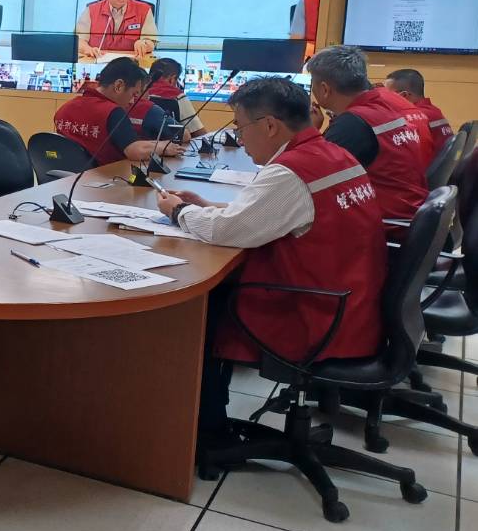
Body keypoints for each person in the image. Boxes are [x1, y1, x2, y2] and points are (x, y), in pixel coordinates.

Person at [154, 77, 386, 439]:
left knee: (199, 308)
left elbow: (226, 232)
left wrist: (178, 211)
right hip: (355, 306)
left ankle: (208, 433)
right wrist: (208, 206)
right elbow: (281, 213)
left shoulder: (290, 173)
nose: (239, 138)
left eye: (240, 127)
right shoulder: (332, 154)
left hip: (317, 316)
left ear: (270, 126)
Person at [308, 45, 428, 225]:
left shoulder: (353, 124)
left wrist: (309, 132)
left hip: (387, 225)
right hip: (407, 215)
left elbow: (309, 179)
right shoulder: (384, 106)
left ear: (325, 89)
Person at [53, 57, 185, 165]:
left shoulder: (65, 108)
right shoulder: (112, 112)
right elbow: (134, 151)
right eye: (134, 94)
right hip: (102, 180)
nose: (132, 101)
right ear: (118, 86)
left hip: (65, 180)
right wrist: (163, 147)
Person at [76, 0, 157, 63]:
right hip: (98, 61)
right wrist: (88, 49)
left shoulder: (144, 10)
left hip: (132, 64)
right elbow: (78, 40)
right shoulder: (91, 10)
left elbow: (151, 41)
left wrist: (144, 43)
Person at [385, 68, 454, 154]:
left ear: (404, 95)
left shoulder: (415, 117)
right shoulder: (434, 110)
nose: (384, 98)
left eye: (388, 94)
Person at [144, 57, 206, 139]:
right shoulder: (178, 97)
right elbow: (199, 133)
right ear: (172, 79)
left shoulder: (140, 94)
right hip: (171, 145)